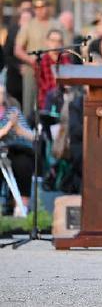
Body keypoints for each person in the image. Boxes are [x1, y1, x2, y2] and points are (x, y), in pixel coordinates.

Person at [14, 0, 64, 119]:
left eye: (43, 7)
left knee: (53, 102)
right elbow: (18, 50)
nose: (40, 10)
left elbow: (66, 47)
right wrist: (30, 60)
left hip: (53, 69)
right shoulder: (29, 25)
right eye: (37, 8)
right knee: (29, 103)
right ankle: (28, 132)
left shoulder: (57, 24)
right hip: (33, 68)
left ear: (48, 8)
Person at [0, 85, 35, 216]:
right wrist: (9, 126)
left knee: (23, 164)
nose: (1, 96)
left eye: (3, 93)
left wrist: (19, 128)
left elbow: (31, 136)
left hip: (16, 149)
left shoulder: (13, 111)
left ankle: (21, 207)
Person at [37, 29, 71, 109]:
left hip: (65, 99)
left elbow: (69, 82)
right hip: (47, 101)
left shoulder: (66, 59)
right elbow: (47, 85)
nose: (56, 44)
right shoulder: (42, 61)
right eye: (53, 41)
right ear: (47, 42)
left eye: (59, 41)